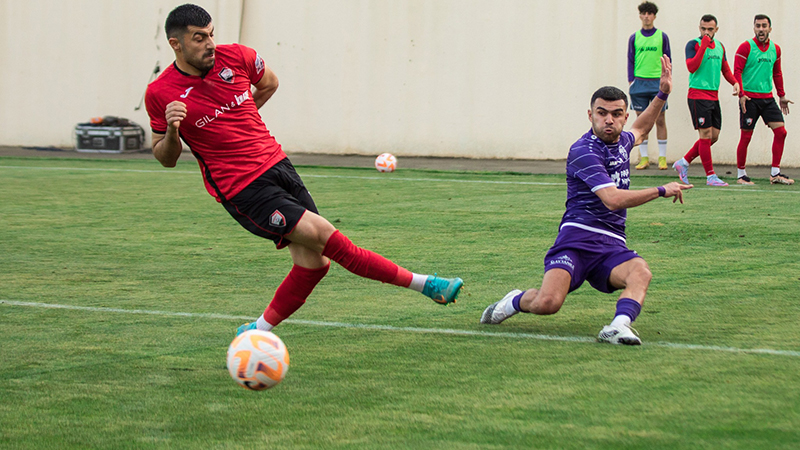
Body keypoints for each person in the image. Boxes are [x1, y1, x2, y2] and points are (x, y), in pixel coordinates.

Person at [144, 4, 463, 336]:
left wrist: (240, 120)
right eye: (199, 38)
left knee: (314, 264)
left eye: (211, 34)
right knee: (329, 239)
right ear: (175, 44)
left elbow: (268, 83)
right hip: (244, 188)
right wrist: (172, 129)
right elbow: (165, 157)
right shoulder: (160, 93)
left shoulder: (238, 57)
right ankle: (427, 285)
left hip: (279, 165)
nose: (209, 43)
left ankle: (258, 330)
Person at [480, 56, 693, 345]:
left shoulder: (622, 142)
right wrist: (660, 190)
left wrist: (663, 93)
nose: (609, 119)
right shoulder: (583, 151)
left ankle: (617, 326)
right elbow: (613, 200)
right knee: (547, 304)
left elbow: (642, 130)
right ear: (589, 115)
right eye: (601, 113)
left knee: (641, 272)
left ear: (624, 116)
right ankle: (514, 301)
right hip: (577, 241)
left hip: (611, 245)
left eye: (617, 114)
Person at [672, 15, 739, 187]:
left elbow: (725, 69)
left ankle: (684, 162)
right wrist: (703, 46)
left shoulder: (720, 47)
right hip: (697, 95)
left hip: (713, 96)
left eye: (710, 29)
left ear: (716, 29)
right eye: (703, 29)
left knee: (713, 136)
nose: (707, 32)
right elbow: (692, 67)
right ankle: (710, 176)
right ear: (699, 28)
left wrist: (735, 83)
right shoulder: (693, 44)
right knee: (705, 135)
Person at [733, 14, 794, 185]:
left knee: (781, 132)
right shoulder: (746, 47)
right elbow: (736, 71)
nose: (761, 29)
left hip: (768, 99)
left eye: (764, 26)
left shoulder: (776, 49)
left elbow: (777, 73)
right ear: (754, 28)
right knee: (746, 136)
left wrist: (781, 95)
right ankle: (741, 175)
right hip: (749, 99)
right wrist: (741, 94)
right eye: (758, 26)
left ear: (770, 29)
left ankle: (775, 173)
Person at [628, 1, 671, 170]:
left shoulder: (662, 36)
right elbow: (631, 59)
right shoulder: (634, 37)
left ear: (654, 16)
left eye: (650, 13)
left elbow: (668, 58)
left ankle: (662, 158)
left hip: (657, 83)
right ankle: (644, 158)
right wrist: (631, 80)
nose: (646, 16)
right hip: (639, 83)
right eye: (643, 13)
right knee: (641, 121)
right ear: (640, 16)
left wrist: (666, 79)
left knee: (660, 119)